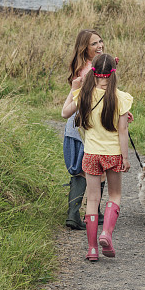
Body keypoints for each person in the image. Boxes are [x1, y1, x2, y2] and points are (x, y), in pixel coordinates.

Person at [62, 53, 132, 262]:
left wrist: (74, 88)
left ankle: (92, 249)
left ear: (93, 73)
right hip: (112, 155)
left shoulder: (84, 94)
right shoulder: (121, 98)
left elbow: (65, 113)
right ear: (114, 73)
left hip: (91, 154)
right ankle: (106, 234)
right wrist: (125, 159)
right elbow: (122, 132)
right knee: (115, 195)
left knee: (92, 200)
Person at [63, 29, 105, 230]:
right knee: (99, 168)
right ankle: (94, 211)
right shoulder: (91, 72)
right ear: (84, 48)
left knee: (80, 169)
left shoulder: (80, 68)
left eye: (100, 42)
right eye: (94, 44)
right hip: (86, 125)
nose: (99, 46)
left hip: (73, 122)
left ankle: (75, 214)